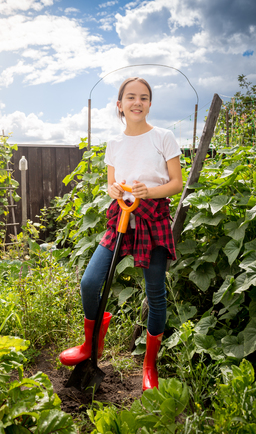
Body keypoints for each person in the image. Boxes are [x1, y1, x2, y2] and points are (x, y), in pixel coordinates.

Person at [59, 77, 183, 391]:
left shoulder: (164, 137)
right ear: (120, 105)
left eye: (143, 97)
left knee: (155, 293)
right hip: (121, 217)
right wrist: (114, 189)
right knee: (89, 282)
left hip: (152, 219)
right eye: (130, 97)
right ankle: (90, 346)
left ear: (150, 104)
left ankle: (149, 367)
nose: (137, 102)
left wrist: (150, 191)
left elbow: (176, 183)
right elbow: (112, 184)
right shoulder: (114, 144)